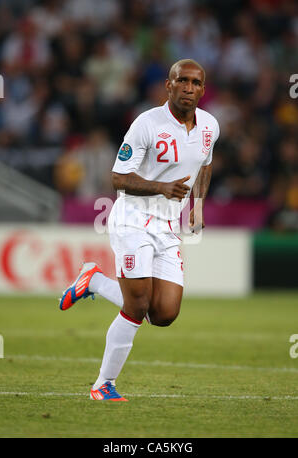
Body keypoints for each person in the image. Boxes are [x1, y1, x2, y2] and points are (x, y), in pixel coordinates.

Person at [59, 59, 220, 401]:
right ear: (169, 85)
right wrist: (161, 188)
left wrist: (199, 205)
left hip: (167, 226)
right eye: (182, 81)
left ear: (203, 89)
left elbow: (205, 163)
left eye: (196, 83)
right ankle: (103, 384)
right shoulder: (146, 124)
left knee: (164, 314)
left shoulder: (209, 126)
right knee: (136, 307)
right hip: (133, 219)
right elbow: (118, 177)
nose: (189, 88)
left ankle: (95, 281)